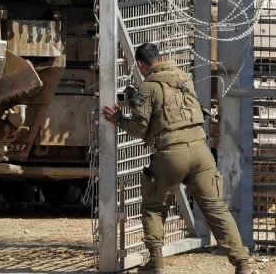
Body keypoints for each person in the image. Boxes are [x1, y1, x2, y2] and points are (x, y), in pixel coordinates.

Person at [101, 42, 251, 274]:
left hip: (172, 154)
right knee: (216, 209)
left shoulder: (147, 87)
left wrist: (120, 119)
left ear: (141, 64)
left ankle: (155, 263)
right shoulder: (183, 78)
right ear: (159, 58)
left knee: (154, 207)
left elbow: (140, 128)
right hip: (201, 151)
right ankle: (241, 261)